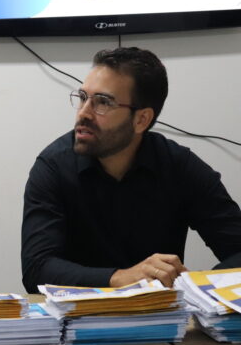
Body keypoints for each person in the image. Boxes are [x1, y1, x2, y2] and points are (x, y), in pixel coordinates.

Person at [21, 47, 241, 293]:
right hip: (76, 320)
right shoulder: (53, 167)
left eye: (102, 102)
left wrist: (196, 286)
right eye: (83, 97)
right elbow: (36, 269)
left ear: (141, 120)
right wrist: (121, 278)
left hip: (161, 320)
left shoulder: (179, 166)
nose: (83, 113)